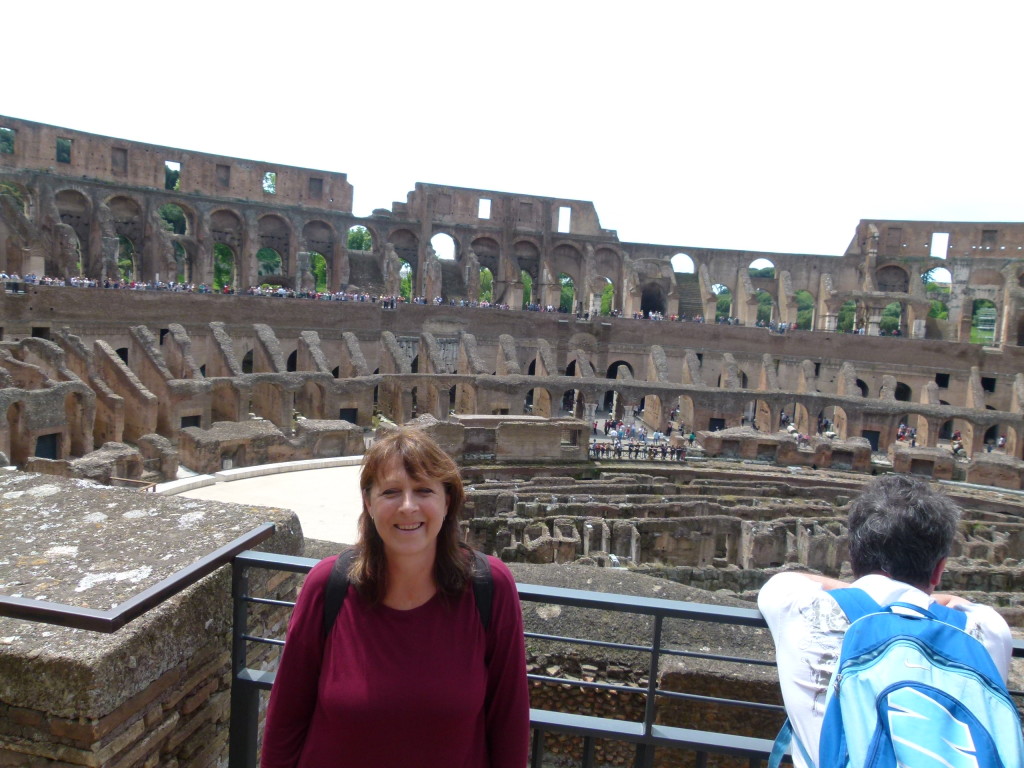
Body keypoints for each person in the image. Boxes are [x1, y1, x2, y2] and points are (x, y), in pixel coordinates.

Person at [261, 427, 530, 768]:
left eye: (423, 491)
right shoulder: (327, 585)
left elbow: (509, 726)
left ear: (447, 500)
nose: (408, 506)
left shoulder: (489, 587)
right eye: (391, 492)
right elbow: (285, 722)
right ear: (368, 502)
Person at [758, 475, 1012, 768]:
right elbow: (960, 603)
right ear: (939, 570)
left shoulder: (798, 606)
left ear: (852, 555)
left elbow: (789, 579)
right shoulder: (986, 630)